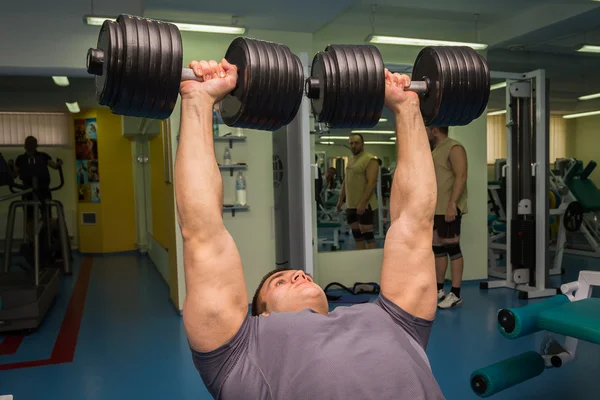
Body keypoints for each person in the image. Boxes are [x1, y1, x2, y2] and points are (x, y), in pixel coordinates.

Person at [176, 58, 443, 399]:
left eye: (298, 274)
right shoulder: (240, 353)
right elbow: (202, 233)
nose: (299, 274)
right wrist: (197, 100)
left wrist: (408, 107)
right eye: (280, 281)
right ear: (263, 314)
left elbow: (415, 220)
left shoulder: (393, 321)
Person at [426, 126, 468, 309]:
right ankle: (439, 289)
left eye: (427, 128)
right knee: (437, 248)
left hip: (448, 208)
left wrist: (452, 204)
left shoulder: (454, 147)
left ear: (435, 130)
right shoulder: (436, 150)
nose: (425, 131)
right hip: (435, 209)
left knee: (452, 248)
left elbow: (461, 176)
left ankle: (456, 294)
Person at [9, 136, 63, 240]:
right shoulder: (20, 158)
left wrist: (59, 164)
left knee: (46, 215)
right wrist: (11, 166)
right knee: (29, 218)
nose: (30, 145)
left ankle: (47, 239)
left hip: (43, 190)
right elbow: (15, 174)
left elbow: (54, 166)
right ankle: (32, 241)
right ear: (25, 145)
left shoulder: (43, 156)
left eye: (33, 143)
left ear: (36, 145)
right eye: (28, 143)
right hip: (28, 190)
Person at [335, 134, 379, 249]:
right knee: (357, 235)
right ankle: (360, 262)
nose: (353, 146)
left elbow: (372, 182)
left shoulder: (370, 159)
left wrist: (363, 203)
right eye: (351, 143)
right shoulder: (350, 159)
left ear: (362, 144)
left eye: (356, 143)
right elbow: (346, 181)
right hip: (351, 204)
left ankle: (370, 262)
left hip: (365, 205)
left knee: (368, 235)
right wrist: (340, 200)